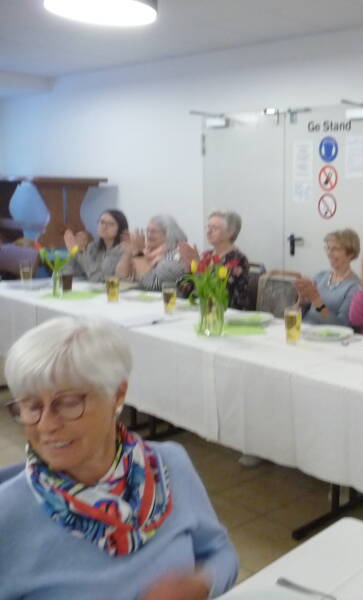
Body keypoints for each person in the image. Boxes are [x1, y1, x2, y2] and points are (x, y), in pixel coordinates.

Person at [0, 317, 238, 599]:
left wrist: (201, 584)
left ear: (117, 394)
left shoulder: (170, 465)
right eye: (32, 406)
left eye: (68, 403)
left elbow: (221, 552)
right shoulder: (8, 513)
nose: (46, 425)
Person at [178, 211, 250, 310]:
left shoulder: (238, 260)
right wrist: (187, 269)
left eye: (215, 228)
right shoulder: (206, 255)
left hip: (227, 313)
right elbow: (185, 292)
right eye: (208, 227)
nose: (208, 231)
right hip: (201, 311)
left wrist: (198, 268)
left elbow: (217, 295)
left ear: (230, 233)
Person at [294, 229, 361, 327]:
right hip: (304, 329)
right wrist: (301, 303)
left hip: (327, 335)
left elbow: (341, 325)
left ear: (350, 254)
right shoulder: (320, 276)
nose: (329, 253)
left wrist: (316, 300)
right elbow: (299, 315)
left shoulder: (354, 286)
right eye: (328, 248)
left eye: (335, 249)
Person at [116, 214, 187, 291]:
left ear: (168, 234)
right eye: (147, 231)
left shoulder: (175, 256)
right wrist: (128, 252)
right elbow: (120, 276)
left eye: (153, 232)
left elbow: (152, 285)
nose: (148, 235)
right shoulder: (145, 251)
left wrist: (138, 253)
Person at [64, 210, 129, 282]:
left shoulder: (122, 249)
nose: (104, 227)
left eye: (111, 224)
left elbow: (98, 278)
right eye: (102, 222)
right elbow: (69, 272)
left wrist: (79, 253)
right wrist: (72, 251)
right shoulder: (93, 246)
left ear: (121, 229)